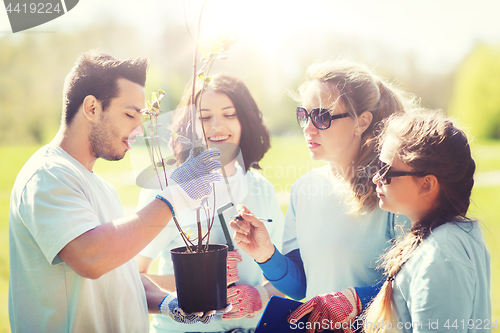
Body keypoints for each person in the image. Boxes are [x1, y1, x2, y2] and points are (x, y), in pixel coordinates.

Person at [8, 51, 224, 332]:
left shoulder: (102, 188)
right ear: (92, 108)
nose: (139, 128)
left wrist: (168, 303)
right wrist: (176, 195)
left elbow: (120, 273)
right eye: (130, 114)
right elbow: (91, 258)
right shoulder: (47, 175)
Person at [230, 60, 416, 332]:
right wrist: (266, 254)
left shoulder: (393, 190)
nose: (308, 127)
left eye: (321, 116)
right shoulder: (303, 188)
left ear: (361, 122)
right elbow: (300, 286)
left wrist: (356, 300)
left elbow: (416, 282)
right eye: (303, 115)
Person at [135, 73, 285, 333]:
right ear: (189, 125)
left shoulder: (261, 187)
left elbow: (286, 275)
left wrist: (260, 295)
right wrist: (198, 281)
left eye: (229, 114)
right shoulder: (168, 188)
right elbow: (130, 277)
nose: (217, 126)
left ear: (245, 121)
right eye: (204, 117)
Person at [363, 111, 491, 333]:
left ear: (427, 184)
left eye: (386, 170)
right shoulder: (446, 239)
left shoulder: (442, 254)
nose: (376, 178)